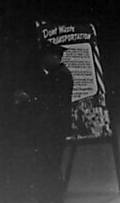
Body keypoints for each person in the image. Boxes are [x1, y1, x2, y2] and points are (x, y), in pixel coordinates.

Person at [12, 41, 74, 203]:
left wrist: (29, 99)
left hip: (55, 127)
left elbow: (51, 101)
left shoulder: (61, 75)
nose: (42, 60)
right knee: (50, 165)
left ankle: (54, 198)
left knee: (51, 165)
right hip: (53, 127)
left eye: (45, 56)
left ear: (54, 56)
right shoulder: (57, 74)